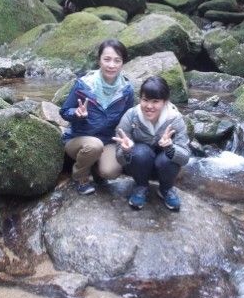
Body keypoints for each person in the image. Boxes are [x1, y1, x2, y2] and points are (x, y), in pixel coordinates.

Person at [60, 39, 134, 195]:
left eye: (117, 60)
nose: (111, 65)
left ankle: (96, 169)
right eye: (106, 59)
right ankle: (80, 177)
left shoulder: (126, 90)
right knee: (94, 145)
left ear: (122, 63)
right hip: (78, 139)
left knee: (111, 171)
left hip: (107, 140)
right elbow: (64, 111)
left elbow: (127, 119)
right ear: (99, 60)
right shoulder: (84, 85)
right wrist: (77, 114)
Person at [113, 76, 190, 211]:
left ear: (165, 102)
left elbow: (185, 158)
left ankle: (165, 189)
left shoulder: (175, 119)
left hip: (164, 168)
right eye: (145, 100)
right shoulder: (131, 116)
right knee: (140, 151)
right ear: (140, 99)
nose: (149, 106)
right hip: (139, 165)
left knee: (167, 158)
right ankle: (141, 187)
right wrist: (126, 151)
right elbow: (119, 158)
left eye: (155, 101)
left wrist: (170, 148)